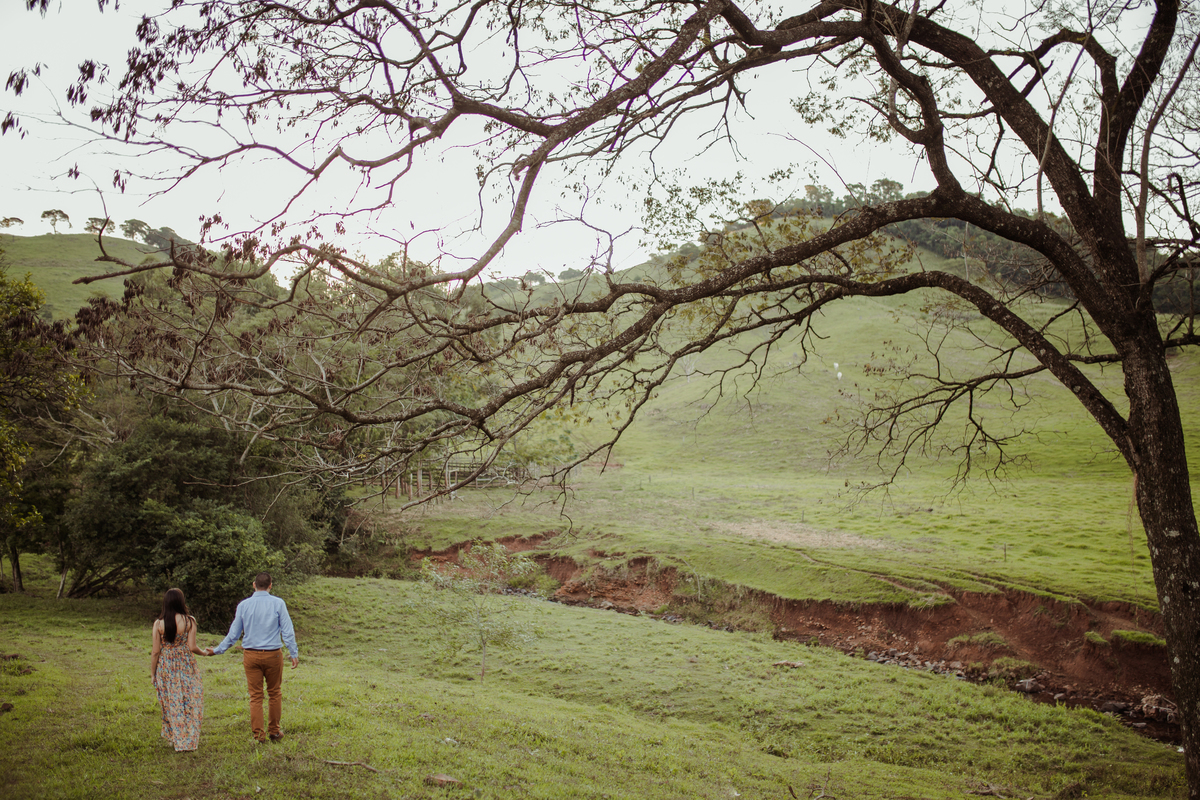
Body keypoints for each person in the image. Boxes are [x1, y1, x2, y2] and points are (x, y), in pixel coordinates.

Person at [206, 572, 299, 743]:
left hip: (251, 655)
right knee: (274, 693)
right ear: (270, 585)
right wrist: (293, 653)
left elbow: (233, 634)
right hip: (273, 654)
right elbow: (287, 631)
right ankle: (274, 732)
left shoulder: (244, 605)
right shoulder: (278, 603)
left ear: (254, 584)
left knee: (255, 696)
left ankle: (259, 735)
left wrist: (217, 650)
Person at [151, 588, 210, 752]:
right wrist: (204, 653)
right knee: (190, 700)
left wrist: (153, 673)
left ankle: (175, 737)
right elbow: (192, 646)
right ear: (181, 602)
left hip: (166, 665)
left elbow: (155, 651)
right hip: (185, 664)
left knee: (171, 701)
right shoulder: (189, 621)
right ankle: (188, 738)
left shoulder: (159, 623)